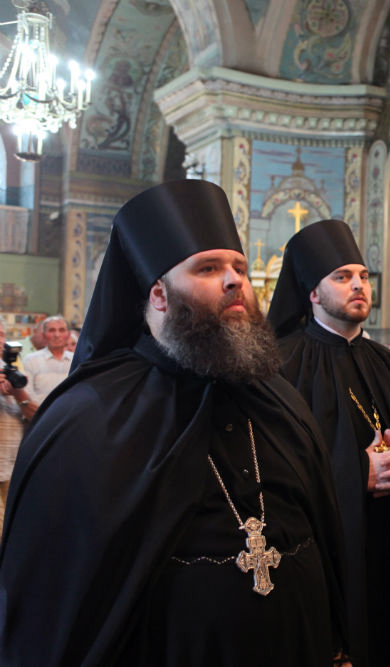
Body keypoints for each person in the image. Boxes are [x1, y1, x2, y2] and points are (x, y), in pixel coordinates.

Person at [0, 180, 349, 665]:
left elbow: (324, 534)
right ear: (159, 294)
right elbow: (56, 602)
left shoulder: (279, 400)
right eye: (208, 268)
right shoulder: (88, 418)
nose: (234, 281)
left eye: (239, 268)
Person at [267, 218, 390, 667]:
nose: (358, 285)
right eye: (342, 277)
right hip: (329, 552)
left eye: (362, 276)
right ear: (313, 294)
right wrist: (360, 474)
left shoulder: (383, 360)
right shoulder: (283, 364)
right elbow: (274, 467)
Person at [0, 321, 36, 538]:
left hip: (13, 466)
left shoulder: (11, 371)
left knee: (12, 534)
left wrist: (18, 394)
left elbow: (37, 416)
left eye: (1, 334)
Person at [21, 315, 73, 403]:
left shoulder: (76, 359)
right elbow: (27, 395)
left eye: (61, 330)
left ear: (68, 335)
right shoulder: (31, 360)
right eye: (52, 330)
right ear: (43, 335)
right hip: (40, 410)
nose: (57, 335)